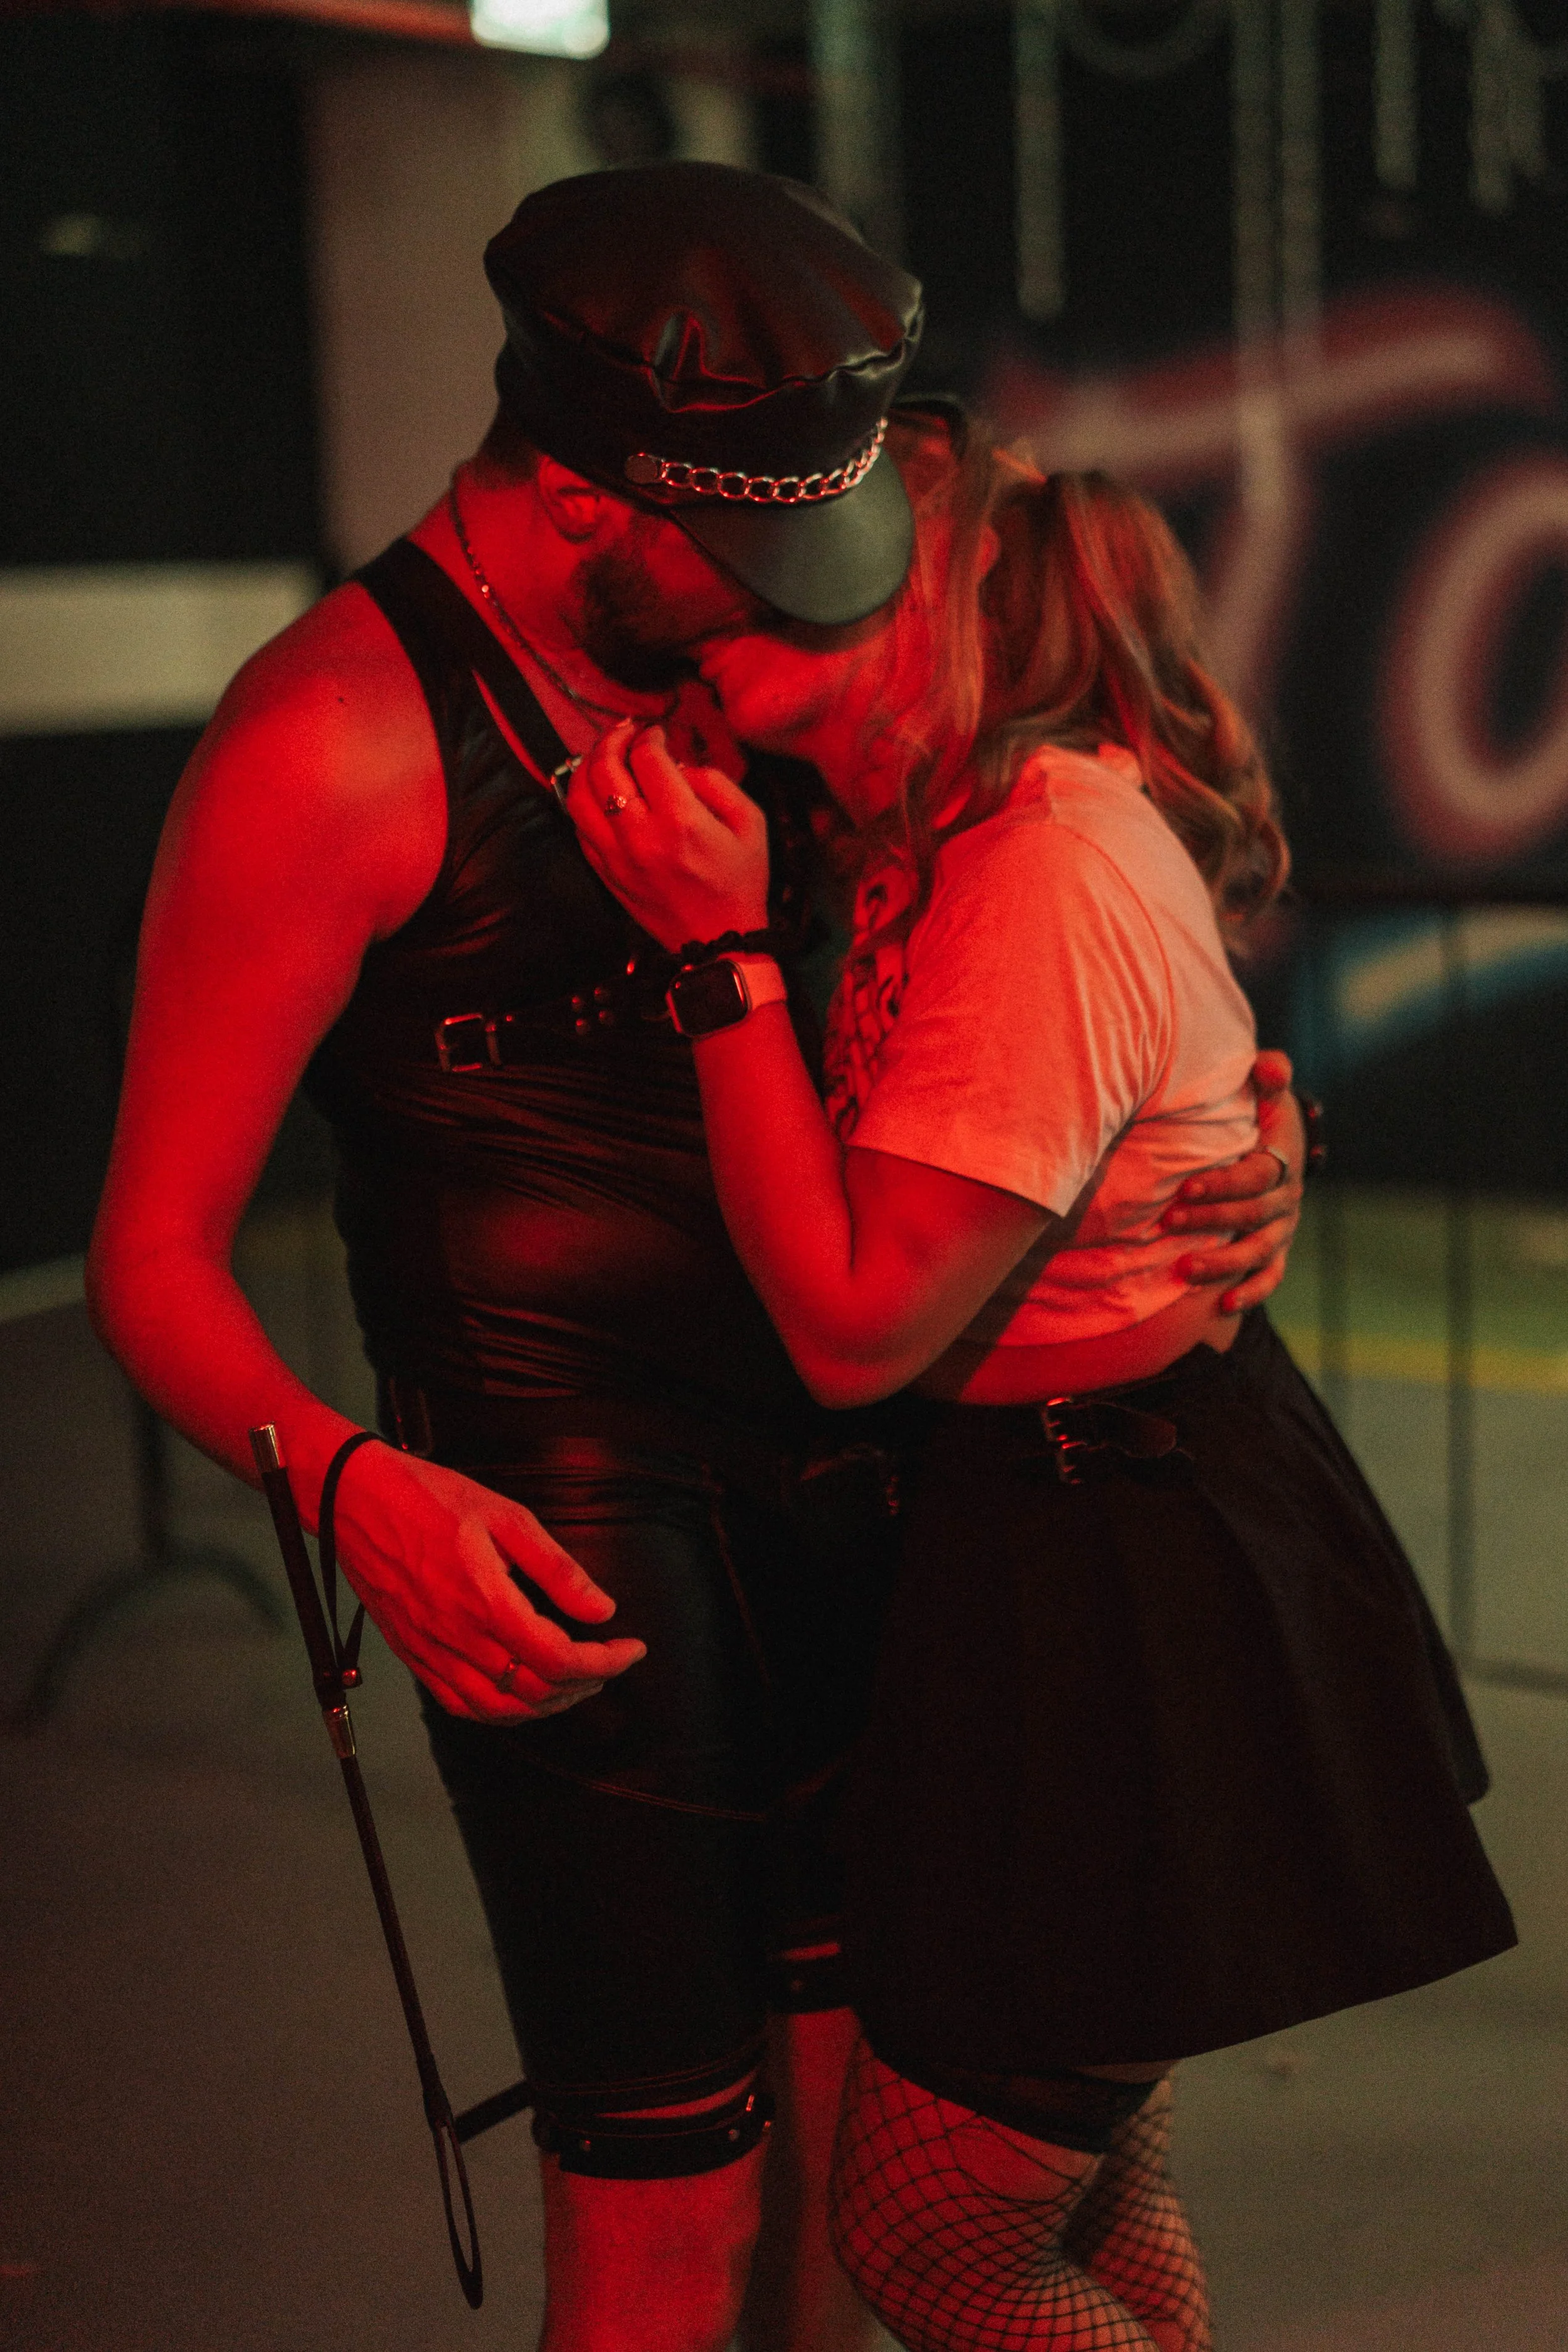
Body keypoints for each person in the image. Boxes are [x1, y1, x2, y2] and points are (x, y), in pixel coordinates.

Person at [86, 167, 1303, 2352]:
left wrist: (1212, 1132)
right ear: (574, 500)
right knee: (663, 2208)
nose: (791, 609)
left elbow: (1011, 951)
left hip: (883, 1476)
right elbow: (152, 1256)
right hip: (574, 1535)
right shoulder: (325, 744)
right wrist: (354, 1487)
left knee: (867, 2176)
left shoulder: (723, 661)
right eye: (734, 547)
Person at [564, 440, 1518, 2351]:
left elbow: (850, 1330)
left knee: (935, 2239)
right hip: (1056, 1536)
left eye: (822, 557)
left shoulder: (1036, 868)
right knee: (1094, 2183)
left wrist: (715, 956)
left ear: (929, 625)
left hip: (1115, 1566)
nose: (751, 577)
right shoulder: (935, 844)